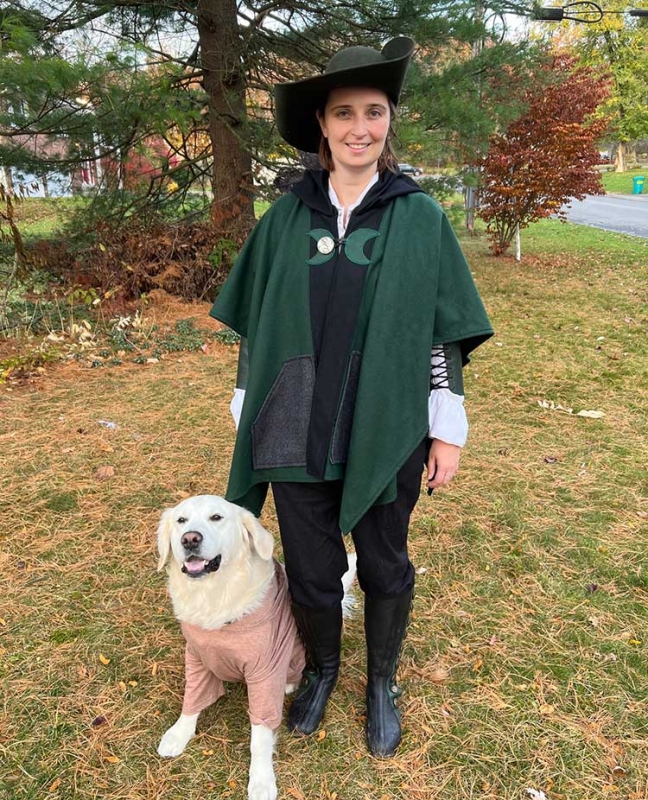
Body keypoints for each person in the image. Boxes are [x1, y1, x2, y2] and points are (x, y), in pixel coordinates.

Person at [209, 36, 493, 758]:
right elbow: (261, 321)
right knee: (311, 568)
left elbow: (440, 333)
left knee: (384, 560)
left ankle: (381, 683)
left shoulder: (418, 217)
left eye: (374, 112)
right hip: (293, 416)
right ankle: (326, 672)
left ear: (389, 121)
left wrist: (446, 425)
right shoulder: (284, 220)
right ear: (322, 125)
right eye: (345, 113)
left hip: (384, 418)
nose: (360, 127)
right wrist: (248, 399)